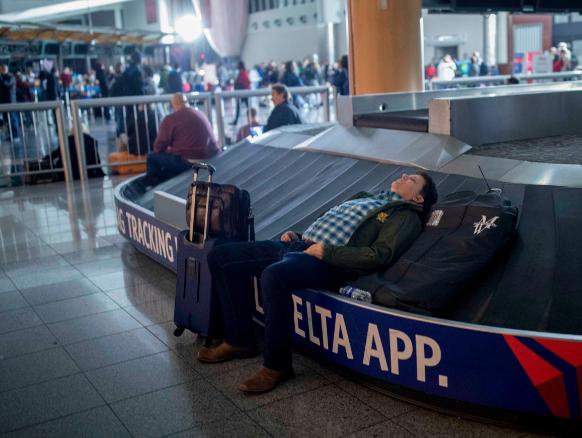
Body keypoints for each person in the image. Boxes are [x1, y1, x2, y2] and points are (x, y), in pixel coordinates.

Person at [197, 172, 438, 393]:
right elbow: (334, 227)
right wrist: (300, 237)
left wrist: (326, 253)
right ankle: (239, 340)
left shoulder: (405, 216)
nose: (404, 175)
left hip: (331, 263)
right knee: (221, 256)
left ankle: (276, 365)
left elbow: (379, 254)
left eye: (412, 179)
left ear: (417, 198)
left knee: (273, 276)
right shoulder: (367, 198)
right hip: (299, 246)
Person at [144, 93, 219, 185]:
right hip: (211, 158)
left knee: (151, 157)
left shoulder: (170, 119)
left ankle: (153, 187)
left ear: (173, 105)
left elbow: (158, 147)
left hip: (190, 161)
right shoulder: (199, 113)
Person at [231, 61, 251, 125]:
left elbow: (245, 82)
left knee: (242, 107)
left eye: (238, 65)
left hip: (242, 93)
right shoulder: (243, 72)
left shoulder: (242, 73)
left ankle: (249, 120)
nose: (237, 66)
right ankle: (249, 120)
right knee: (246, 107)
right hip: (243, 92)